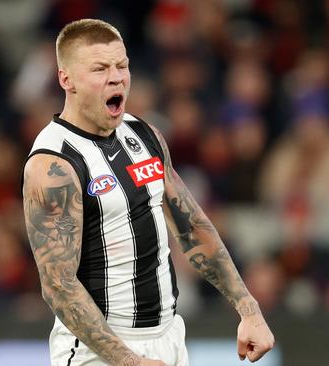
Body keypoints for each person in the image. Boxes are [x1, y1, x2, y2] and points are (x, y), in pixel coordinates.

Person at [21, 19, 274, 366]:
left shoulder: (143, 134)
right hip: (98, 352)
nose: (116, 77)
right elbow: (58, 286)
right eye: (99, 69)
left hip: (168, 338)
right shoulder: (54, 165)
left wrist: (249, 309)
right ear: (67, 80)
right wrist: (130, 361)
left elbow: (191, 226)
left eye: (122, 65)